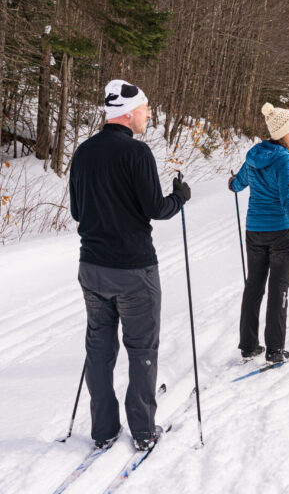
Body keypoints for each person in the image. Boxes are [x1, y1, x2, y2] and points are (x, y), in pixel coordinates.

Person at [69, 79, 191, 452]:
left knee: (99, 348)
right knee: (141, 348)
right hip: (133, 270)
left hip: (92, 267)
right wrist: (180, 196)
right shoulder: (137, 154)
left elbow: (77, 210)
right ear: (128, 112)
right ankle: (142, 429)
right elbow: (157, 209)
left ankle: (104, 429)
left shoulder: (84, 152)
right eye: (146, 108)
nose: (149, 114)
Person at [229, 102, 289, 364]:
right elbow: (288, 200)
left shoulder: (254, 154)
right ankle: (274, 349)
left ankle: (248, 345)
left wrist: (232, 182)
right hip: (280, 234)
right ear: (285, 131)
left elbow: (238, 183)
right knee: (278, 289)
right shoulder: (285, 161)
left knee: (253, 286)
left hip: (254, 230)